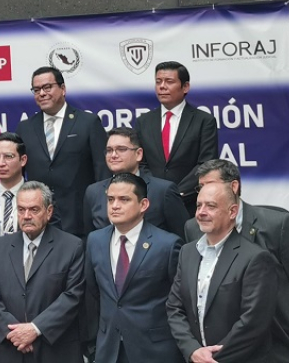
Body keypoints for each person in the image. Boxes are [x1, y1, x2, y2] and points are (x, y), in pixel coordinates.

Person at [184, 160, 289, 362]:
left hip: (276, 340)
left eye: (210, 184)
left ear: (234, 186)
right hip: (219, 345)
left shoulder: (276, 224)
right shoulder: (193, 228)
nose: (204, 192)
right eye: (200, 187)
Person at [166, 182, 278, 363]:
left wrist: (211, 358)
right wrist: (192, 350)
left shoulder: (255, 258)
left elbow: (253, 322)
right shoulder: (187, 252)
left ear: (232, 212)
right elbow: (174, 307)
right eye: (199, 205)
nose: (201, 212)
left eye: (211, 206)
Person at [85, 173, 182, 363]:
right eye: (110, 199)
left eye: (124, 199)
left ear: (143, 204)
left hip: (154, 350)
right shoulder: (95, 240)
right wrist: (92, 346)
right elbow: (92, 293)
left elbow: (178, 300)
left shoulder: (167, 245)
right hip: (108, 348)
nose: (115, 206)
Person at [0, 181, 84, 362]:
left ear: (49, 212)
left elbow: (72, 295)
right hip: (10, 347)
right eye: (21, 210)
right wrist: (14, 332)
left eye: (34, 210)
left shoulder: (71, 246)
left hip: (55, 349)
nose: (26, 216)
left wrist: (35, 329)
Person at [15, 66, 108, 237]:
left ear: (63, 89)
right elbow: (18, 175)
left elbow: (102, 171)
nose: (42, 93)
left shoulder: (88, 122)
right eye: (36, 90)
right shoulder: (25, 128)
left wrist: (101, 214)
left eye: (47, 87)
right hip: (39, 221)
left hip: (80, 218)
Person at [136, 61, 218, 216]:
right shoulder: (144, 122)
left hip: (189, 203)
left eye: (169, 81)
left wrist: (175, 193)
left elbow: (206, 163)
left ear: (185, 87)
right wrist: (155, 191)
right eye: (158, 82)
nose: (162, 86)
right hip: (153, 203)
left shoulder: (203, 121)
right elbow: (141, 163)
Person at [83, 127, 188, 238]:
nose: (113, 155)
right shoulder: (93, 192)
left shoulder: (163, 191)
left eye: (121, 149)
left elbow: (182, 236)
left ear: (138, 154)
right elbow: (89, 238)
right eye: (109, 150)